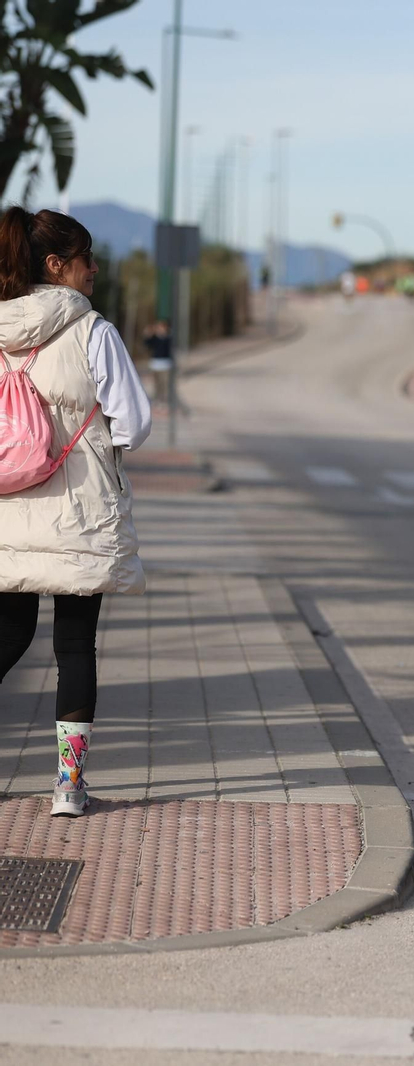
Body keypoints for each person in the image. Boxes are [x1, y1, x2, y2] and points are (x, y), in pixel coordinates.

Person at [0, 207, 151, 817]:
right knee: (75, 646)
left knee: (9, 635)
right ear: (57, 265)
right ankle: (68, 786)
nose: (95, 269)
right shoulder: (93, 332)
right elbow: (133, 424)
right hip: (80, 512)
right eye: (87, 258)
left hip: (8, 507)